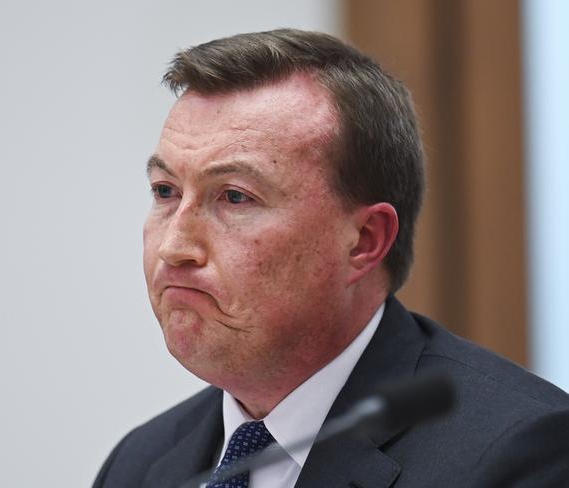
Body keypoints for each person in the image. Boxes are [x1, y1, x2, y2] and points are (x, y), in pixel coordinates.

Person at [93, 29, 569, 488]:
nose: (175, 247)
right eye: (165, 191)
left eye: (235, 198)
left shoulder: (520, 454)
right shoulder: (140, 463)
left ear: (364, 241)